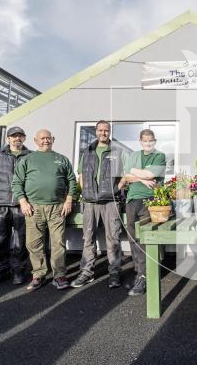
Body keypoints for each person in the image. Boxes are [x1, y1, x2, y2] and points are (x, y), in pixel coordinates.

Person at [12, 129, 76, 291]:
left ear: (53, 139)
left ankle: (59, 275)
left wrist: (69, 200)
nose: (46, 141)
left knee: (58, 243)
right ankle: (38, 275)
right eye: (42, 138)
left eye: (48, 138)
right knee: (34, 243)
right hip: (33, 208)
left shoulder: (61, 159)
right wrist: (23, 202)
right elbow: (17, 182)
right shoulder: (27, 159)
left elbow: (71, 181)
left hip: (57, 207)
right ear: (35, 140)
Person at [72, 120, 125, 289]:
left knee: (113, 238)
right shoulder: (87, 151)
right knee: (88, 238)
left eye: (106, 130)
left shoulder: (118, 151)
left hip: (111, 201)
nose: (103, 133)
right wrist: (82, 192)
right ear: (95, 131)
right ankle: (87, 273)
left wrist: (117, 188)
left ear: (110, 132)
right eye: (100, 130)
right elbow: (80, 175)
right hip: (89, 201)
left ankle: (115, 272)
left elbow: (126, 173)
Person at [0, 126, 31, 286]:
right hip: (1, 203)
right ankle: (1, 270)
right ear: (7, 139)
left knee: (20, 239)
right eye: (13, 136)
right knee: (1, 239)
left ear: (24, 138)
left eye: (20, 136)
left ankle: (18, 270)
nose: (17, 139)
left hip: (20, 204)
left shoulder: (30, 156)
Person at [123, 129, 166, 296]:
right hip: (132, 199)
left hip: (149, 201)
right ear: (140, 141)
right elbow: (126, 176)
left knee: (145, 239)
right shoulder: (134, 155)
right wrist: (141, 178)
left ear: (155, 141)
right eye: (145, 141)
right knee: (133, 238)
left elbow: (151, 174)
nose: (148, 144)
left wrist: (134, 171)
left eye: (151, 141)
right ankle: (138, 273)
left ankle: (144, 276)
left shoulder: (159, 156)